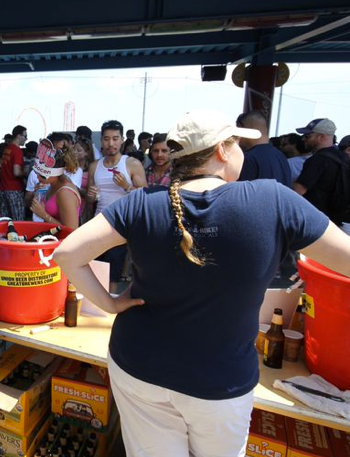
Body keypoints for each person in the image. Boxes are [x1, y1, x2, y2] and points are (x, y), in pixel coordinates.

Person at [53, 109, 350, 457]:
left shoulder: (142, 202)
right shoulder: (273, 200)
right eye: (238, 144)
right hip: (220, 382)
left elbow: (66, 254)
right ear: (223, 150)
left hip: (139, 367)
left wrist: (111, 304)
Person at [86, 120, 147, 292]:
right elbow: (91, 199)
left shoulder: (132, 164)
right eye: (106, 139)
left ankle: (109, 312)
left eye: (115, 138)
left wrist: (126, 187)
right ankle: (93, 309)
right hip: (97, 224)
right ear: (101, 141)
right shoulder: (94, 166)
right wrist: (90, 197)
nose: (110, 143)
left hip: (120, 226)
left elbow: (145, 196)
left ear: (121, 140)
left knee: (112, 273)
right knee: (95, 270)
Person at [293, 118, 348, 225]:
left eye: (308, 135)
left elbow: (298, 191)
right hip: (336, 221)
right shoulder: (343, 158)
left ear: (321, 137)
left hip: (314, 220)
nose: (304, 139)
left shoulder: (318, 159)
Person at [28, 139, 82, 230]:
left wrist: (43, 215)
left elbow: (71, 231)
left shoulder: (65, 193)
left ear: (54, 173)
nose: (37, 177)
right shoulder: (55, 183)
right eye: (36, 172)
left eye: (42, 175)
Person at [235, 111, 292, 187]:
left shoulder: (249, 158)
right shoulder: (281, 157)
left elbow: (241, 195)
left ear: (245, 129)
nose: (236, 136)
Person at [0, 125, 28, 221]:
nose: (26, 139)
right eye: (25, 136)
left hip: (3, 189)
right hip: (14, 190)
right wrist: (26, 171)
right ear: (18, 136)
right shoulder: (17, 151)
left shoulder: (7, 149)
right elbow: (16, 172)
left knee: (5, 221)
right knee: (18, 221)